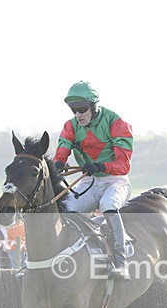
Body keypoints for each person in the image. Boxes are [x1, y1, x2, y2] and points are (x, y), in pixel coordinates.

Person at [52, 81, 134, 282]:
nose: (78, 114)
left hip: (115, 181)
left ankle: (121, 263)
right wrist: (58, 164)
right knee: (66, 207)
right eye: (74, 110)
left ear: (94, 105)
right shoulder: (70, 126)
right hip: (90, 181)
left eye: (82, 109)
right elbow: (63, 148)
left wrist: (100, 166)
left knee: (108, 205)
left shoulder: (116, 123)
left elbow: (123, 164)